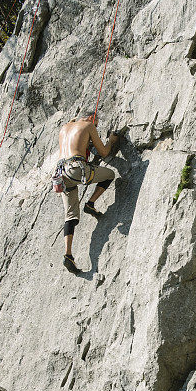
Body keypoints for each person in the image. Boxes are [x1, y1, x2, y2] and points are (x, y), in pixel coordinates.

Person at [57, 111, 119, 273]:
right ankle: (90, 203)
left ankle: (68, 254)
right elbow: (104, 152)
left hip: (61, 173)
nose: (96, 127)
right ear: (92, 118)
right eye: (96, 124)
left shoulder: (65, 127)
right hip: (76, 169)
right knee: (110, 175)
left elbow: (75, 146)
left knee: (70, 216)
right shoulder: (89, 125)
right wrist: (111, 141)